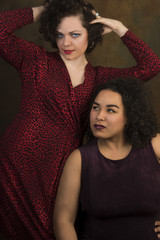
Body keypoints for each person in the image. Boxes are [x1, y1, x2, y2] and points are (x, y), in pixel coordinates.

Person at [0, 0, 160, 239]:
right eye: (60, 34)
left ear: (91, 34)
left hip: (61, 169)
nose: (66, 43)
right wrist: (46, 10)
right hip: (16, 164)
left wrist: (119, 28)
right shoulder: (35, 59)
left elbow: (151, 66)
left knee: (54, 229)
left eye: (75, 34)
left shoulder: (100, 78)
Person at [53, 77, 160, 240]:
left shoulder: (155, 145)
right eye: (95, 108)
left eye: (111, 110)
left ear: (129, 116)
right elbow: (63, 220)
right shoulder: (79, 159)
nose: (99, 116)